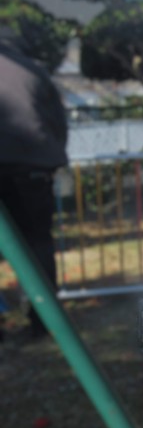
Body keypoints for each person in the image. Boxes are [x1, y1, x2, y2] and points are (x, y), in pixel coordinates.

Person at [0, 27, 68, 339]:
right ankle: (44, 323)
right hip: (35, 172)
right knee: (39, 245)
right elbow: (57, 123)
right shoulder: (34, 71)